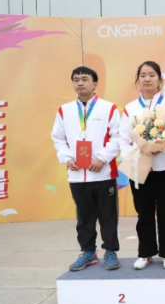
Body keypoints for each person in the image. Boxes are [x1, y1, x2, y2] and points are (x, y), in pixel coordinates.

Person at [51, 66, 121, 271]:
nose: (80, 83)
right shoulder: (64, 110)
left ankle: (110, 251)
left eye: (84, 79)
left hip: (103, 173)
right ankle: (88, 251)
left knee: (108, 215)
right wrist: (66, 158)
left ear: (94, 83)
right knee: (84, 216)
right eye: (76, 80)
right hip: (76, 175)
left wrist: (102, 158)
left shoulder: (108, 108)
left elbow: (118, 136)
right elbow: (58, 138)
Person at [120, 61, 165, 270]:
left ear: (160, 79)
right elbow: (123, 138)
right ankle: (145, 253)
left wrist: (162, 146)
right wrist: (141, 149)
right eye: (143, 75)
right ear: (138, 80)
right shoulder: (130, 108)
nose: (147, 79)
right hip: (139, 167)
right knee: (144, 211)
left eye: (152, 75)